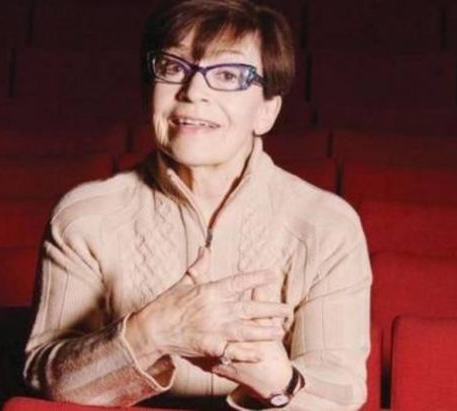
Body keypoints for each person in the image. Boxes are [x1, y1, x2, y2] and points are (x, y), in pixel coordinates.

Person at [22, 0, 372, 409]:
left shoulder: (327, 225)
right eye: (173, 68)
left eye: (228, 74)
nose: (193, 92)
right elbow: (46, 382)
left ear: (266, 111)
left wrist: (275, 380)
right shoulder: (84, 216)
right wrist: (151, 332)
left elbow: (341, 398)